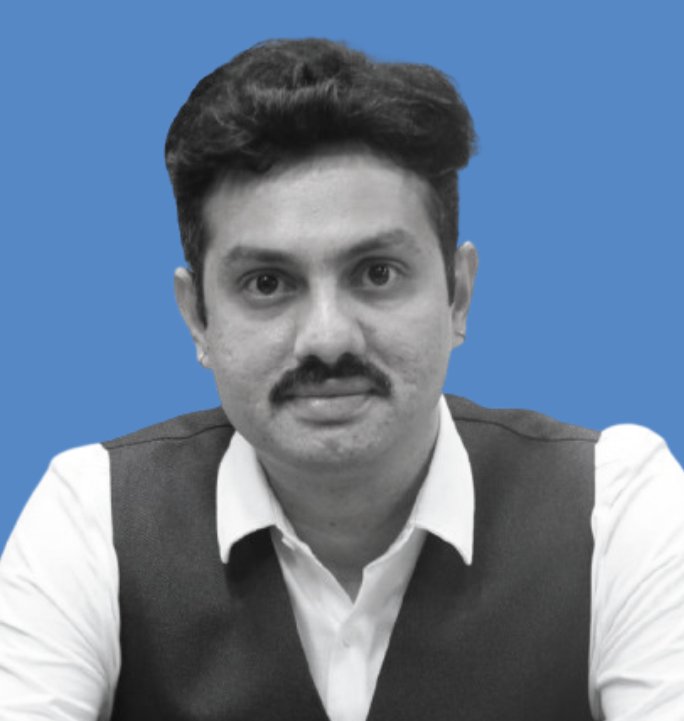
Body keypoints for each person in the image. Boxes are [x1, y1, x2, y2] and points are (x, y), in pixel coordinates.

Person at [1, 37, 683, 721]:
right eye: (267, 283)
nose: (328, 338)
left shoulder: (615, 507)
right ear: (198, 318)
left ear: (458, 296)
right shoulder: (92, 515)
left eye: (377, 273)